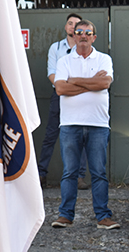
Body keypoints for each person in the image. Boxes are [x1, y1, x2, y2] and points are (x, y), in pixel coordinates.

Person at [51, 20, 119, 230]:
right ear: (74, 35)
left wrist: (74, 81)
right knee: (70, 172)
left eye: (87, 32)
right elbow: (60, 88)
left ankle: (103, 216)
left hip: (98, 124)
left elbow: (105, 83)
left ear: (94, 37)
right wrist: (90, 82)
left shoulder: (104, 59)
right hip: (70, 124)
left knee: (99, 172)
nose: (83, 35)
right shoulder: (64, 60)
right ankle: (65, 215)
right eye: (79, 32)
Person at [38, 13, 89, 189]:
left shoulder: (84, 48)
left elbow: (85, 76)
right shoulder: (56, 48)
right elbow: (51, 72)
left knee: (80, 135)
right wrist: (64, 87)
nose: (72, 26)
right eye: (70, 23)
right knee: (51, 135)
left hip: (79, 97)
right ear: (66, 27)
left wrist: (71, 85)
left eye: (76, 24)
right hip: (59, 95)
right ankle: (41, 174)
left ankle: (79, 177)